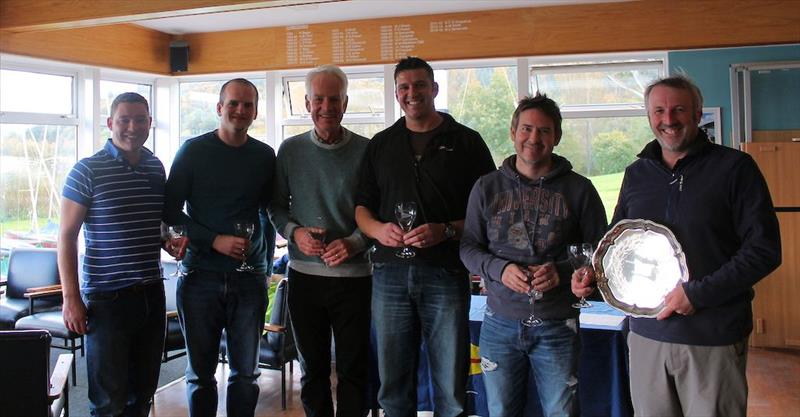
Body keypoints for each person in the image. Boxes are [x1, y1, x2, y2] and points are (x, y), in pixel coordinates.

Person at [572, 75, 782, 416]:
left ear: (698, 114)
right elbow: (617, 238)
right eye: (659, 110)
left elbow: (764, 250)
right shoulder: (637, 173)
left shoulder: (735, 169)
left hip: (712, 335)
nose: (668, 120)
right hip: (645, 336)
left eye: (679, 109)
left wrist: (697, 294)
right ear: (649, 116)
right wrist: (591, 274)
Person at [355, 56, 496, 417]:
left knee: (450, 385)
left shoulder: (467, 142)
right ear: (397, 93)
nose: (411, 93)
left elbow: (489, 213)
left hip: (445, 273)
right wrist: (378, 231)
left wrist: (446, 230)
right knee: (394, 385)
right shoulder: (381, 144)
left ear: (434, 89)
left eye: (419, 85)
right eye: (404, 87)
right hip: (388, 275)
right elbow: (361, 208)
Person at [460, 94, 607, 417]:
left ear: (557, 137)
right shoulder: (486, 187)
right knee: (500, 412)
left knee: (561, 412)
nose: (534, 138)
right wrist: (499, 270)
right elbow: (468, 247)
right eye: (526, 128)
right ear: (513, 132)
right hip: (499, 322)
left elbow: (601, 250)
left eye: (544, 131)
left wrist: (563, 271)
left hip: (558, 323)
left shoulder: (579, 189)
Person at [59, 92, 186, 416]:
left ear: (150, 124)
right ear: (110, 123)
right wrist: (71, 298)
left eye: (140, 119)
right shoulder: (86, 171)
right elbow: (66, 237)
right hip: (107, 301)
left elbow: (152, 223)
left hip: (151, 296)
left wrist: (167, 240)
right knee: (107, 402)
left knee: (142, 397)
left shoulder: (155, 167)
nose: (133, 126)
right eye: (125, 119)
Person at [164, 78, 276, 417]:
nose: (240, 111)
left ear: (255, 111)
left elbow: (269, 214)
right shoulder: (193, 151)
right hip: (200, 277)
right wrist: (213, 239)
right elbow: (169, 210)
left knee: (246, 375)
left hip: (248, 280)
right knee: (200, 376)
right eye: (233, 104)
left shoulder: (264, 155)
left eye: (247, 105)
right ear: (219, 108)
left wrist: (266, 269)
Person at [270, 64, 372, 417]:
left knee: (353, 370)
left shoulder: (367, 151)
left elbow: (379, 214)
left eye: (333, 99)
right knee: (311, 370)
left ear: (345, 104)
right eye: (318, 99)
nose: (325, 106)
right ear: (306, 102)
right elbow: (276, 208)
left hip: (355, 279)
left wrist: (356, 243)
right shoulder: (290, 151)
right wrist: (294, 232)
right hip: (304, 277)